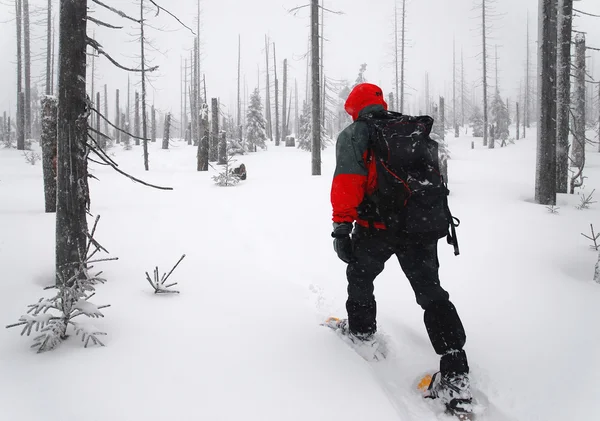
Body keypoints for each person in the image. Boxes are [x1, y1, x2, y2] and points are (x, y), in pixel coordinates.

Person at [327, 83, 472, 415]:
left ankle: (362, 333)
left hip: (375, 228)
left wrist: (341, 229)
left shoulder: (355, 134)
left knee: (361, 278)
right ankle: (455, 370)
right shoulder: (411, 129)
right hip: (421, 227)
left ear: (354, 108)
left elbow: (347, 184)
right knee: (431, 292)